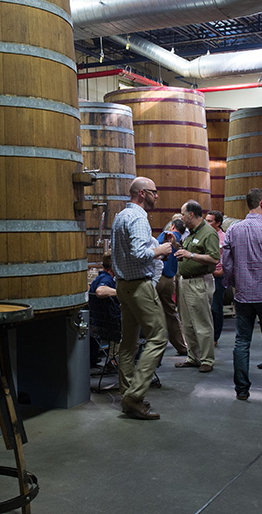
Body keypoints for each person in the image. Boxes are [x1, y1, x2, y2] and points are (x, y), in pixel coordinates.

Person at [110, 177, 173, 420]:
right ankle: (134, 396)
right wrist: (162, 250)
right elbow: (139, 254)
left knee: (128, 344)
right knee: (158, 337)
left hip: (123, 285)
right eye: (154, 192)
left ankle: (129, 397)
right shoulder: (138, 217)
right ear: (143, 193)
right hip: (138, 287)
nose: (157, 196)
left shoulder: (120, 216)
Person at [221, 188, 262, 401]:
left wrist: (233, 283)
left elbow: (227, 264)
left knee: (241, 342)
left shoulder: (233, 230)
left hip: (242, 295)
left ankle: (241, 390)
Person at [173, 200, 220, 373]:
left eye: (183, 214)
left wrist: (190, 255)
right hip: (185, 281)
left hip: (199, 282)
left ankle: (207, 359)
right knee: (187, 323)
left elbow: (214, 258)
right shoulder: (190, 233)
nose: (181, 217)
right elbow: (187, 253)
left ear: (191, 215)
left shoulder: (209, 233)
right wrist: (177, 247)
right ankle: (193, 357)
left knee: (202, 322)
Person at [156, 218, 188, 356]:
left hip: (158, 278)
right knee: (171, 314)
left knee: (150, 313)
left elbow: (154, 249)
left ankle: (153, 350)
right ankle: (182, 346)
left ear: (173, 226)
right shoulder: (182, 241)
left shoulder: (166, 235)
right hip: (171, 280)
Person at [88, 252, 120, 368]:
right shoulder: (105, 280)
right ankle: (115, 360)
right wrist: (122, 293)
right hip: (110, 326)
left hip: (101, 323)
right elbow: (100, 291)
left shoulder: (99, 278)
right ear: (113, 266)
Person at [205, 210, 226, 346]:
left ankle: (214, 337)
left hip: (218, 275)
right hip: (206, 274)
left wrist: (223, 270)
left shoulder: (223, 237)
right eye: (206, 220)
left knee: (216, 307)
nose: (206, 223)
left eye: (210, 221)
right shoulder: (205, 235)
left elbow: (229, 256)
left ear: (218, 223)